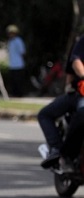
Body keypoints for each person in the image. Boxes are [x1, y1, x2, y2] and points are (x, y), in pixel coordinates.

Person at [40, 33, 84, 171]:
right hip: (80, 94)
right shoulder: (81, 41)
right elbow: (76, 62)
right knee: (45, 114)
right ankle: (60, 153)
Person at [6, 25, 26, 97]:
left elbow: (22, 52)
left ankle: (20, 94)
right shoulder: (10, 42)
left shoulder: (18, 41)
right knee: (13, 81)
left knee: (19, 81)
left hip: (18, 64)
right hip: (12, 64)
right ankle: (14, 93)